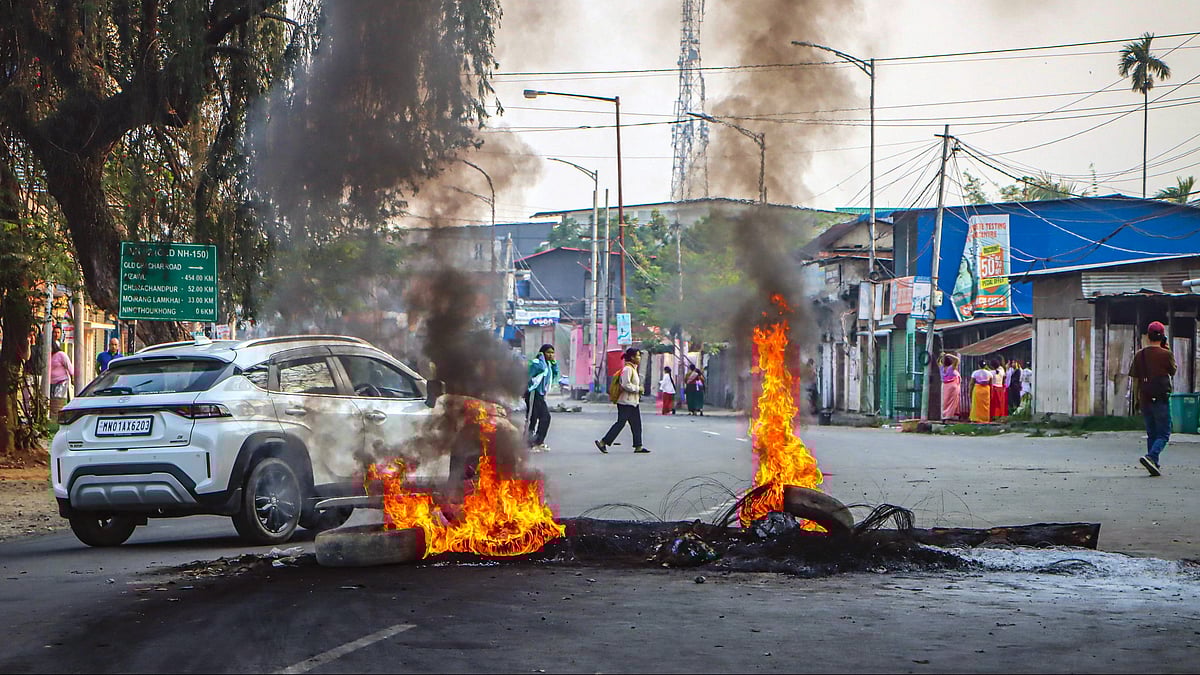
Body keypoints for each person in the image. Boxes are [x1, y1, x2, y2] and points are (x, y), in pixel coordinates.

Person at [1128, 321, 1176, 476]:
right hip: (1161, 398)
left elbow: (1135, 380)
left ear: (1147, 336)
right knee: (1164, 433)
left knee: (1152, 433)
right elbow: (1173, 370)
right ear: (1162, 337)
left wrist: (1136, 401)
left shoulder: (1139, 355)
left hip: (1145, 398)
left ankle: (1153, 463)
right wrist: (1166, 349)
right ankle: (1152, 456)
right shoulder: (1166, 354)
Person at [595, 347, 650, 454]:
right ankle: (603, 442)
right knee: (620, 423)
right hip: (626, 402)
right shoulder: (627, 369)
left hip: (633, 402)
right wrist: (638, 389)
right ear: (632, 357)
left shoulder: (632, 368)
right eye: (637, 356)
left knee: (636, 424)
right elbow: (625, 385)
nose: (639, 358)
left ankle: (638, 446)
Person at [524, 344, 559, 452]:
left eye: (552, 352)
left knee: (538, 418)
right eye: (548, 352)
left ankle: (537, 441)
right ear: (542, 353)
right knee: (535, 418)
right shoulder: (537, 363)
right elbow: (529, 376)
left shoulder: (548, 364)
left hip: (540, 395)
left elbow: (555, 374)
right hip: (533, 393)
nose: (551, 355)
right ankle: (530, 443)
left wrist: (554, 363)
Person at [48, 339, 74, 419]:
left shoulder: (61, 355)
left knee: (58, 401)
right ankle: (53, 418)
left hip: (61, 382)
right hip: (50, 383)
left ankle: (59, 418)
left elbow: (70, 368)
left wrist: (73, 379)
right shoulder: (47, 356)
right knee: (51, 402)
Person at [940, 353, 961, 421]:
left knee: (945, 402)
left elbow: (938, 361)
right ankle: (949, 416)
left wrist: (941, 356)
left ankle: (945, 415)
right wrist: (949, 355)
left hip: (945, 386)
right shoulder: (951, 368)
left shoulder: (941, 368)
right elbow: (957, 360)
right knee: (952, 402)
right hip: (953, 387)